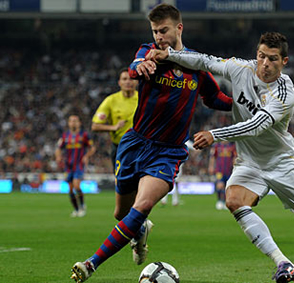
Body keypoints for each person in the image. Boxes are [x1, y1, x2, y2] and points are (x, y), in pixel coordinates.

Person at [152, 32, 294, 283]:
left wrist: (215, 134)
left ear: (284, 61)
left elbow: (256, 125)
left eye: (272, 59)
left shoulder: (285, 93)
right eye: (261, 56)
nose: (265, 64)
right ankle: (283, 263)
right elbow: (205, 61)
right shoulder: (240, 69)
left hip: (282, 164)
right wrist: (170, 54)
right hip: (250, 162)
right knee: (234, 200)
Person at [70, 4, 232, 282]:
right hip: (134, 144)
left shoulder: (196, 64)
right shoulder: (148, 53)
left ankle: (91, 264)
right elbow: (135, 67)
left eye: (164, 30)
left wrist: (248, 103)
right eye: (155, 31)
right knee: (122, 214)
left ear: (179, 28)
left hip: (168, 152)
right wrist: (141, 65)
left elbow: (215, 99)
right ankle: (140, 230)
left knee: (142, 205)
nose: (159, 36)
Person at [91, 68, 138, 171]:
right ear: (119, 82)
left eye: (131, 79)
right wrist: (114, 127)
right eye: (124, 79)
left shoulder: (143, 99)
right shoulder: (111, 100)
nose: (128, 82)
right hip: (119, 148)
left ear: (137, 81)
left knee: (140, 182)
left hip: (139, 148)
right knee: (121, 183)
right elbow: (95, 126)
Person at [55, 115, 96, 218]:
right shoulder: (65, 136)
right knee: (70, 189)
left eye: (75, 121)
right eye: (71, 121)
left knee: (77, 186)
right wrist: (58, 156)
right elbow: (58, 148)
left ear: (79, 123)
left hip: (79, 164)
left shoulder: (84, 135)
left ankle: (82, 206)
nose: (73, 123)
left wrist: (86, 156)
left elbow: (92, 148)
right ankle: (76, 209)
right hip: (68, 165)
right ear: (68, 123)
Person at [208, 141, 236, 210]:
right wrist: (211, 166)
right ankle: (219, 201)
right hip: (219, 170)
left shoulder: (232, 146)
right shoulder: (217, 146)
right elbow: (212, 157)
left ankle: (226, 202)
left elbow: (234, 157)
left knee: (227, 187)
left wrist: (235, 166)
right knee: (220, 185)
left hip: (229, 170)